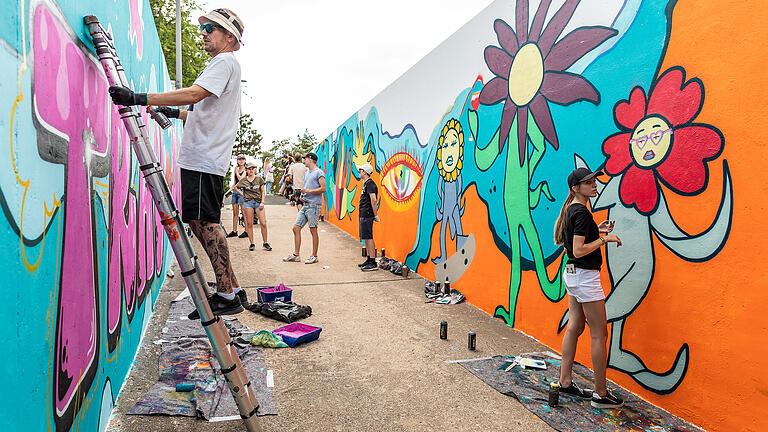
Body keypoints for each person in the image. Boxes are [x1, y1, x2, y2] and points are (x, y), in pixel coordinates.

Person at [108, 8, 247, 317]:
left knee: (206, 222)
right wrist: (176, 114)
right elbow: (204, 111)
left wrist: (139, 97)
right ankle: (232, 287)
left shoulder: (223, 62)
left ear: (230, 37)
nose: (204, 32)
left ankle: (226, 296)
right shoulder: (225, 65)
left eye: (211, 28)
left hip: (204, 157)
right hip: (205, 156)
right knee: (200, 221)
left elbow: (194, 94)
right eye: (205, 27)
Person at [553, 167, 624, 408]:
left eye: (594, 181)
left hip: (572, 275)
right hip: (585, 277)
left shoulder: (573, 209)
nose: (594, 185)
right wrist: (605, 239)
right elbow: (579, 249)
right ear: (576, 188)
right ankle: (600, 394)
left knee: (575, 325)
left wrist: (597, 230)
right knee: (599, 334)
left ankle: (565, 382)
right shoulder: (581, 212)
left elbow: (575, 241)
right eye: (588, 183)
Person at [283, 152, 325, 264]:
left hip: (314, 206)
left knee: (313, 230)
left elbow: (323, 188)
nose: (303, 161)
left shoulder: (319, 173)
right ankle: (296, 255)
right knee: (296, 228)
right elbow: (306, 187)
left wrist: (309, 191)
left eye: (305, 159)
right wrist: (303, 195)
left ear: (310, 160)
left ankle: (314, 256)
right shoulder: (307, 173)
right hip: (306, 205)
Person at [233, 161, 271, 251]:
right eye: (249, 169)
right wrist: (243, 194)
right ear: (246, 170)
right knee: (249, 223)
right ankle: (252, 243)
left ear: (255, 170)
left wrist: (262, 202)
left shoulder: (259, 179)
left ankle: (265, 243)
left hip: (258, 202)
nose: (251, 170)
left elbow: (263, 191)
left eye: (252, 168)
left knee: (263, 223)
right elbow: (235, 187)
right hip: (248, 202)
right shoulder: (244, 180)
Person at [356, 164, 380, 271]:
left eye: (360, 170)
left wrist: (375, 215)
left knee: (369, 237)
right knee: (365, 237)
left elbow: (373, 200)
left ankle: (373, 261)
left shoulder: (370, 184)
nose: (359, 172)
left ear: (365, 172)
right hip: (363, 214)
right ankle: (369, 259)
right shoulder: (366, 184)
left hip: (367, 214)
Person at [227, 154, 247, 238]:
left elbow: (241, 179)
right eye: (239, 159)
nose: (241, 161)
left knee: (244, 212)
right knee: (235, 212)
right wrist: (229, 191)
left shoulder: (245, 170)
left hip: (242, 191)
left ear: (245, 161)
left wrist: (236, 170)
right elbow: (235, 182)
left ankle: (246, 231)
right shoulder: (236, 169)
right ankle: (234, 230)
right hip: (235, 191)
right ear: (237, 161)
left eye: (243, 159)